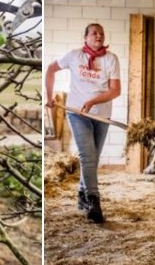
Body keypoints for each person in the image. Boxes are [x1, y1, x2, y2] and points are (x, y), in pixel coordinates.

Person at [45, 23, 121, 223]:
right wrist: (49, 96)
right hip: (77, 113)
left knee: (93, 158)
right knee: (87, 155)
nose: (99, 36)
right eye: (94, 33)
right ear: (85, 37)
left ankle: (81, 194)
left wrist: (94, 101)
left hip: (101, 115)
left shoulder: (111, 59)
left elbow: (115, 90)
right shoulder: (74, 56)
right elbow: (51, 70)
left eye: (101, 33)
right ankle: (94, 200)